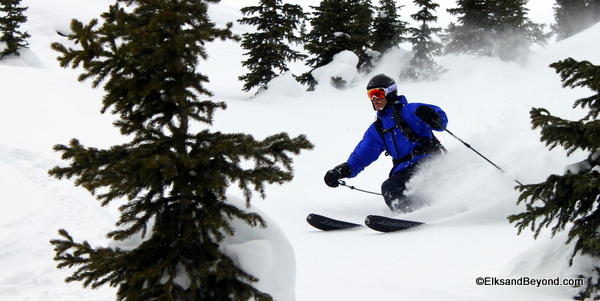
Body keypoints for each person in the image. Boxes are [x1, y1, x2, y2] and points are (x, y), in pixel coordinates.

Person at [324, 74, 448, 213]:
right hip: (404, 172)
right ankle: (419, 212)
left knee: (390, 187)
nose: (375, 99)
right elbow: (362, 155)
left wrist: (432, 116)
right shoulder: (378, 129)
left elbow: (440, 120)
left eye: (378, 93)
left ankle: (412, 214)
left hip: (429, 162)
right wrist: (342, 170)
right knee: (392, 188)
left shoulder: (409, 111)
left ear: (390, 93)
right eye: (371, 95)